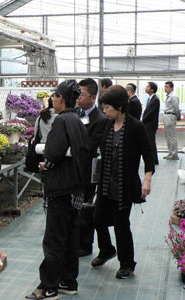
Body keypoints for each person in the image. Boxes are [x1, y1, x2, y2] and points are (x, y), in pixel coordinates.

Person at [25, 80, 90, 300]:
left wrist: (45, 165)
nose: (52, 100)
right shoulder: (78, 120)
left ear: (61, 98)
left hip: (60, 189)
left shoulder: (62, 121)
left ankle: (48, 287)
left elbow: (53, 153)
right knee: (71, 237)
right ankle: (68, 281)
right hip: (75, 188)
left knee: (53, 239)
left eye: (54, 96)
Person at [91, 85, 154, 279]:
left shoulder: (135, 126)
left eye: (107, 107)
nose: (104, 111)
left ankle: (127, 263)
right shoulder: (106, 125)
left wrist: (147, 179)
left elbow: (148, 154)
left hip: (124, 185)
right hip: (106, 182)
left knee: (121, 225)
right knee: (97, 218)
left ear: (119, 107)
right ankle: (107, 249)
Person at [76, 78, 107, 257]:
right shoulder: (75, 113)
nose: (78, 98)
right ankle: (75, 241)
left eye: (82, 94)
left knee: (86, 207)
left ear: (93, 97)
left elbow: (91, 146)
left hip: (89, 170)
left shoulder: (100, 119)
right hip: (73, 169)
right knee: (75, 207)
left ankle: (85, 245)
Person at [142, 82, 160, 165]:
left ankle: (154, 160)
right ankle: (152, 159)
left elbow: (151, 113)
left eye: (148, 86)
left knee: (151, 142)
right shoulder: (150, 99)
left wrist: (143, 120)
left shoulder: (155, 99)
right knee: (149, 142)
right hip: (148, 124)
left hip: (151, 125)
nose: (146, 87)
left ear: (152, 89)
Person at [163, 81, 180, 160]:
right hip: (167, 115)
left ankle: (174, 154)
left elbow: (176, 108)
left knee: (171, 136)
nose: (165, 88)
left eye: (167, 87)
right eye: (165, 86)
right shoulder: (169, 96)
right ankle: (170, 152)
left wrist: (178, 117)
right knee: (168, 136)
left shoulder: (173, 96)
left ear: (171, 88)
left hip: (170, 116)